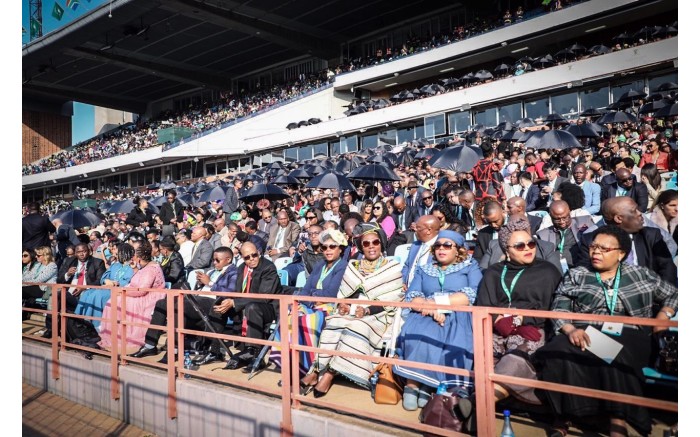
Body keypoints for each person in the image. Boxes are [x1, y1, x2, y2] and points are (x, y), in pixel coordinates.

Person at [535, 225, 678, 437]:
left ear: (621, 254)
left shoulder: (640, 274)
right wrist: (570, 329)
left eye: (604, 249)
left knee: (609, 353)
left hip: (631, 333)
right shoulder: (578, 275)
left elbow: (673, 294)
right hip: (587, 330)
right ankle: (568, 414)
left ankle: (617, 422)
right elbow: (559, 307)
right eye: (593, 247)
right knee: (556, 350)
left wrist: (663, 315)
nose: (596, 252)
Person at [471, 217, 562, 415]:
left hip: (534, 329)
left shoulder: (547, 271)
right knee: (483, 354)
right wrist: (500, 321)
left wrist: (522, 321)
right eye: (519, 246)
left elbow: (553, 309)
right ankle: (482, 406)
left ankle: (477, 405)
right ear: (506, 250)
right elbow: (484, 305)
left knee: (515, 359)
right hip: (498, 328)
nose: (528, 248)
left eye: (531, 243)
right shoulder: (493, 273)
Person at [300, 223, 403, 397]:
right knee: (334, 322)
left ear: (381, 244)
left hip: (379, 314)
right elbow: (346, 293)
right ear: (361, 247)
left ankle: (329, 375)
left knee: (356, 328)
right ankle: (316, 370)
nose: (371, 247)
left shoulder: (391, 268)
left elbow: (391, 300)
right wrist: (345, 304)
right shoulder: (354, 265)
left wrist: (368, 310)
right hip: (353, 310)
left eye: (375, 242)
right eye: (366, 244)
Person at [393, 230, 482, 411]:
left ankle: (429, 384)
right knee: (418, 333)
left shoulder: (470, 266)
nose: (441, 249)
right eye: (438, 246)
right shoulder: (424, 269)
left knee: (448, 337)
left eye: (447, 245)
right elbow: (413, 296)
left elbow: (472, 294)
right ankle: (413, 383)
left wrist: (435, 303)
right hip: (425, 314)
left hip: (458, 315)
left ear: (458, 250)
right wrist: (432, 310)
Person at [130, 247, 238, 364]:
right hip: (197, 298)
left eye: (217, 260)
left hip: (213, 302)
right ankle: (150, 345)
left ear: (228, 259)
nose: (214, 263)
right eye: (213, 260)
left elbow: (230, 291)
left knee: (179, 305)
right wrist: (200, 283)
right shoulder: (211, 271)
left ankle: (175, 349)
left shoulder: (234, 272)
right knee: (161, 303)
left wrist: (210, 283)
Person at [271, 229, 349, 381]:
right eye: (324, 247)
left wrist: (312, 295)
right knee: (289, 316)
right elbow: (306, 289)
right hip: (312, 305)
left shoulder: (343, 266)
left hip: (331, 308)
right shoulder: (320, 265)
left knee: (307, 321)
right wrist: (313, 296)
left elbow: (331, 294)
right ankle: (290, 366)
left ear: (340, 248)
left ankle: (307, 367)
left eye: (332, 246)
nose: (327, 250)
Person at [194, 242, 283, 372]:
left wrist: (235, 303)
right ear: (242, 257)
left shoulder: (268, 267)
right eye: (247, 257)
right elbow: (237, 291)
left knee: (253, 307)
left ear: (258, 252)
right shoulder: (242, 268)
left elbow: (263, 297)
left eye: (254, 255)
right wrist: (229, 301)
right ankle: (214, 350)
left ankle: (253, 352)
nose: (252, 259)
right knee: (219, 303)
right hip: (246, 303)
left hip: (267, 307)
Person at [580, 197, 677, 286]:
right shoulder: (590, 241)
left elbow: (668, 269)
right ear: (619, 218)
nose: (640, 213)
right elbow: (586, 277)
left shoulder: (651, 235)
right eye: (634, 211)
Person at [98, 241, 167, 350]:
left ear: (139, 258)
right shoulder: (144, 267)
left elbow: (141, 290)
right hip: (141, 294)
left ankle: (120, 334)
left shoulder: (151, 269)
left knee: (117, 302)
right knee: (114, 300)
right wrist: (135, 269)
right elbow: (136, 282)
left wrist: (122, 291)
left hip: (149, 298)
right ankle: (112, 333)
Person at [74, 244, 135, 329]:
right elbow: (104, 277)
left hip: (117, 290)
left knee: (98, 295)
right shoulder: (115, 265)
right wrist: (105, 280)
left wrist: (115, 283)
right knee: (87, 293)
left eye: (117, 254)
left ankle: (93, 324)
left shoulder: (132, 267)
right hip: (106, 287)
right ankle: (77, 319)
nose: (115, 255)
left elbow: (129, 280)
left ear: (125, 254)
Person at [402, 215, 440, 286]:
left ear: (429, 230)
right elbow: (407, 266)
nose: (415, 230)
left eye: (418, 227)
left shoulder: (441, 247)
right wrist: (404, 282)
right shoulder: (415, 245)